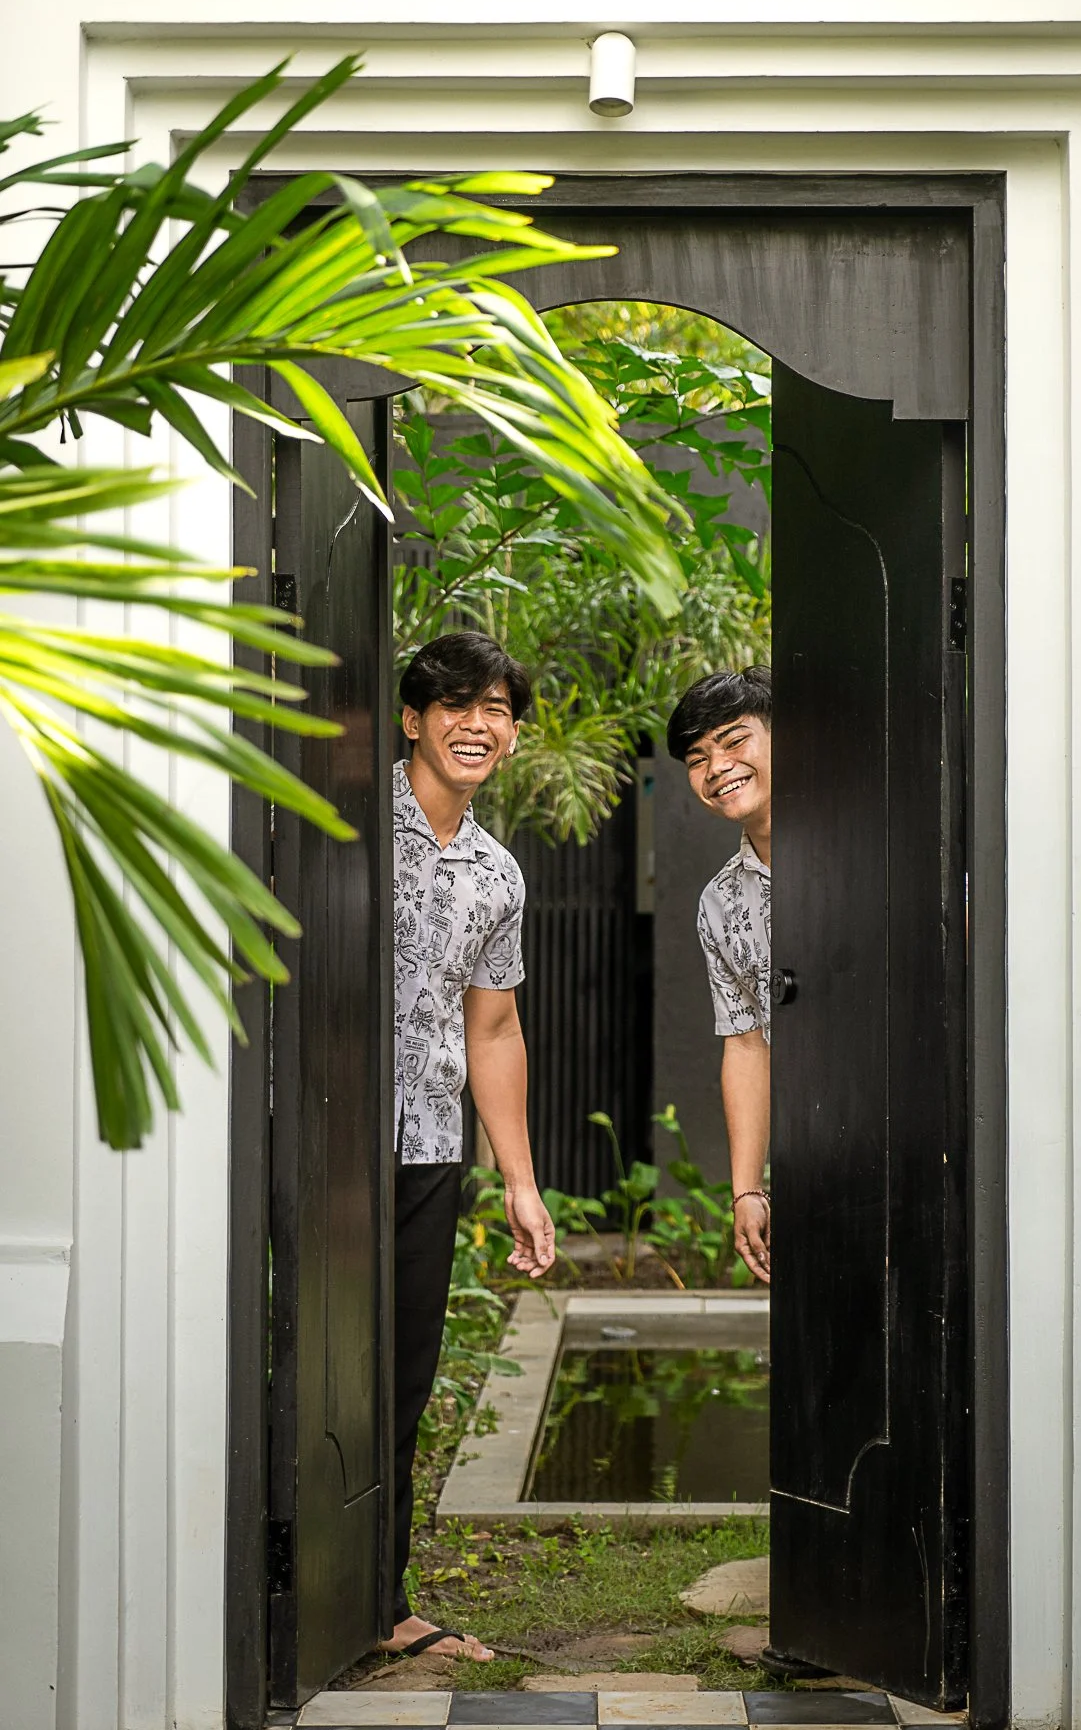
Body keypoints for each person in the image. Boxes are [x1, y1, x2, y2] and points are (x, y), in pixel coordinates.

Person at [382, 631, 555, 1664]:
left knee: (400, 1374)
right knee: (300, 1363)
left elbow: (492, 1029)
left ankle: (380, 1601)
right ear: (414, 719)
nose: (476, 722)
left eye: (495, 707)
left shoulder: (499, 875)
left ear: (514, 733)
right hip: (315, 1136)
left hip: (429, 1145)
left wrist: (521, 1185)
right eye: (455, 703)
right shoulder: (341, 827)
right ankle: (276, 1603)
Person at [666, 665, 772, 1286]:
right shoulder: (721, 903)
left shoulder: (875, 852)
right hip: (815, 1146)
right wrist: (746, 1190)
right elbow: (746, 1043)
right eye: (699, 757)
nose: (718, 768)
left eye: (735, 741)